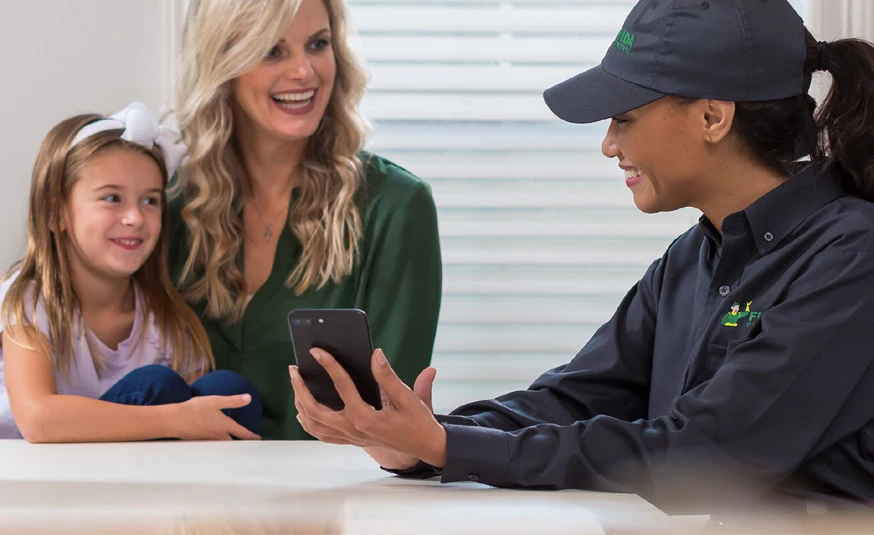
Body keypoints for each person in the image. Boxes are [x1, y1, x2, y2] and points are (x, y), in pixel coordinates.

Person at [289, 0, 874, 514]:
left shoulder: (853, 256)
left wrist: (449, 448)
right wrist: (423, 435)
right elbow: (575, 398)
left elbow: (706, 454)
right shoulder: (693, 258)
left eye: (625, 118)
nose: (609, 145)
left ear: (712, 117)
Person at [168, 0, 442, 441]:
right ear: (223, 64)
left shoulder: (394, 207)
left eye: (318, 44)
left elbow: (396, 423)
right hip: (182, 499)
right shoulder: (169, 211)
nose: (304, 72)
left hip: (334, 501)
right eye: (272, 51)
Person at [0, 102, 262, 442]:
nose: (135, 218)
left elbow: (201, 413)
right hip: (46, 484)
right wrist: (173, 420)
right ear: (55, 214)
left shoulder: (163, 318)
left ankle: (218, 492)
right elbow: (38, 419)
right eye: (112, 198)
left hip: (141, 477)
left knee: (228, 390)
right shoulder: (30, 299)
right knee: (155, 385)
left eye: (150, 201)